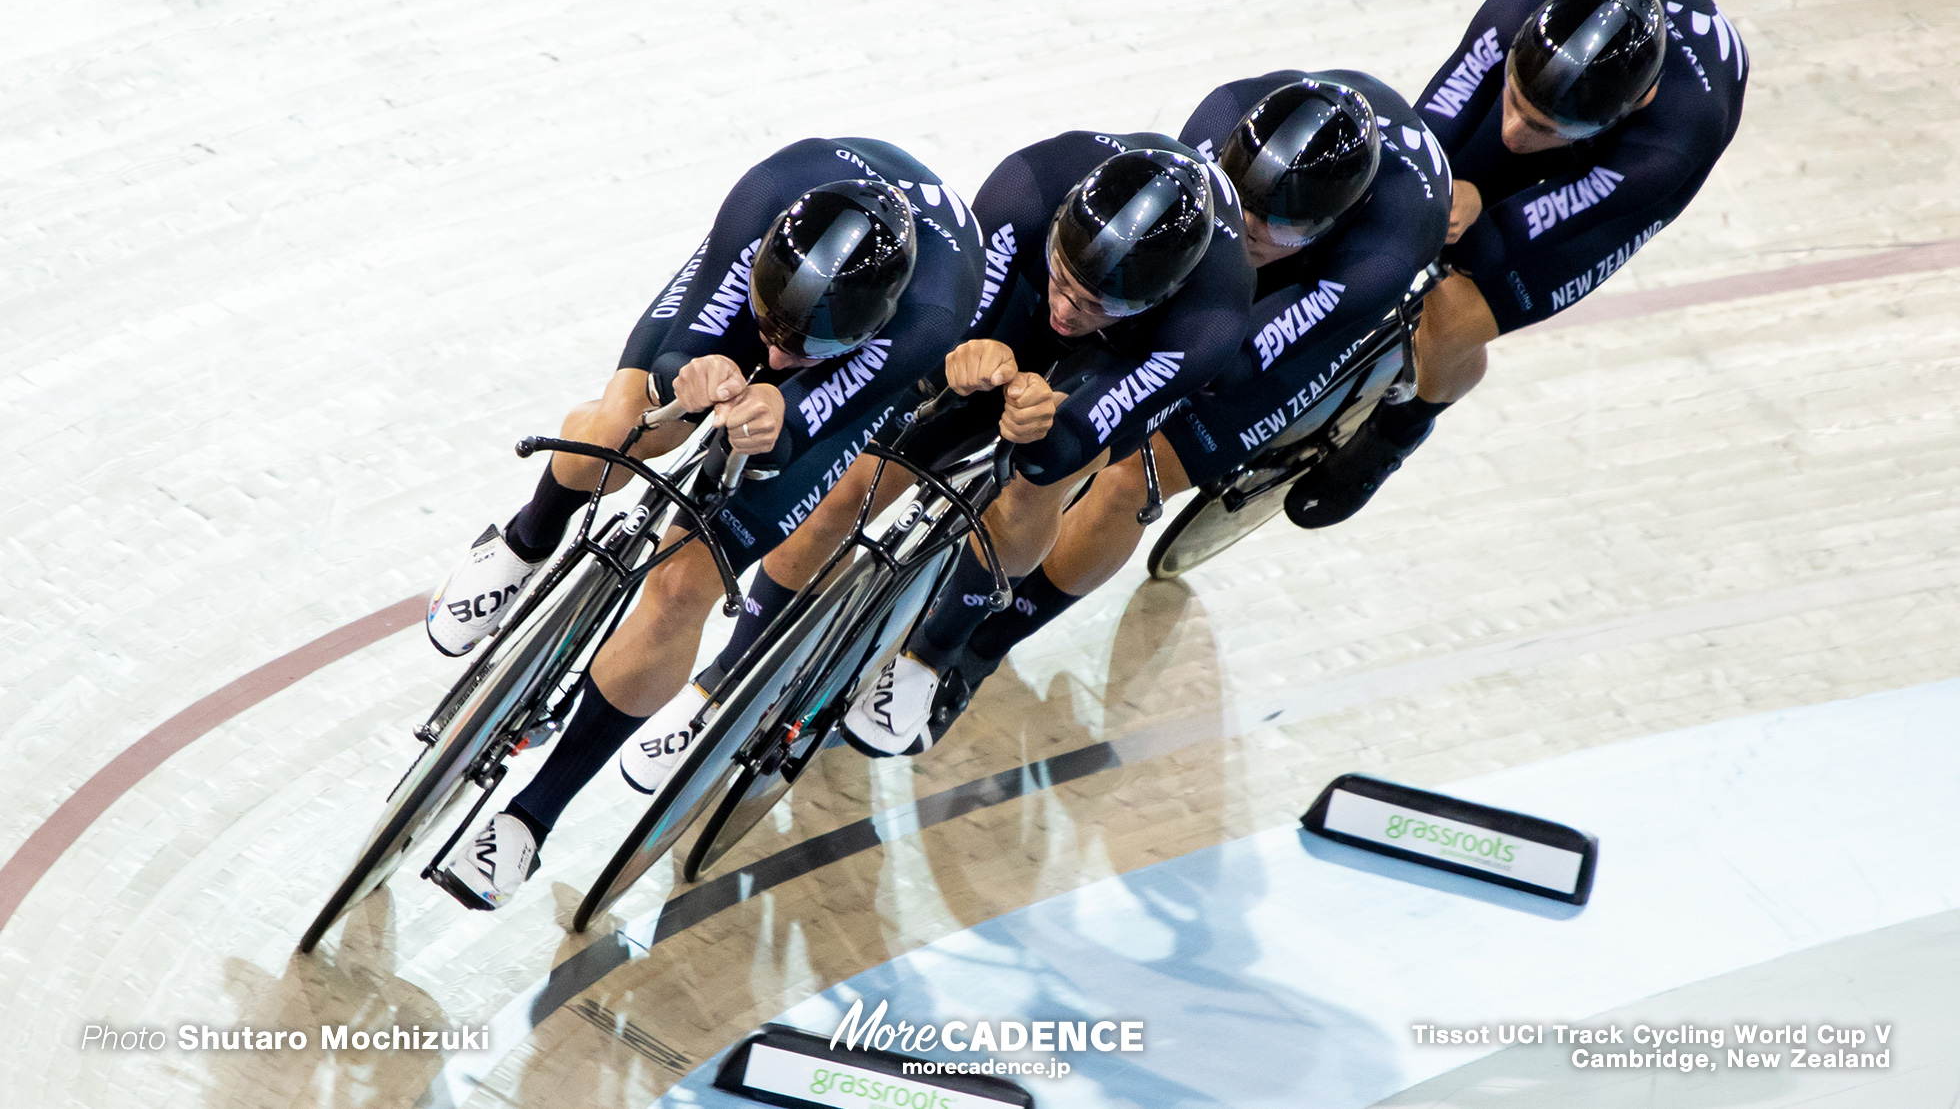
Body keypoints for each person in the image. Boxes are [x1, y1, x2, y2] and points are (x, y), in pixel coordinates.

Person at [425, 137, 984, 910]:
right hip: (768, 273)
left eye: (811, 348)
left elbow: (807, 423)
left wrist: (774, 415)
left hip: (864, 365)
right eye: (775, 335)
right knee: (628, 428)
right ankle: (527, 538)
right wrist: (692, 373)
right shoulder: (767, 200)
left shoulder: (927, 318)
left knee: (688, 579)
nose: (783, 356)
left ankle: (533, 815)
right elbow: (686, 349)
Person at [902, 71, 1452, 736]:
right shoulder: (1222, 117)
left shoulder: (1382, 252)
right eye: (1238, 200)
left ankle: (985, 648)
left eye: (1274, 224)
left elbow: (1233, 358)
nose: (1245, 227)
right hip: (1194, 291)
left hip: (1292, 322)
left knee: (1129, 474)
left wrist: (1120, 404)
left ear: (1330, 221)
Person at [831, 132, 1256, 757]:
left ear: (1152, 300)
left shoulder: (1208, 320)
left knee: (1041, 470)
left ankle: (932, 656)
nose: (1064, 309)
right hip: (1026, 281)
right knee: (920, 409)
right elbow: (954, 319)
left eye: (1090, 304)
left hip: (1124, 359)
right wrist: (968, 356)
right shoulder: (1029, 186)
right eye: (1063, 281)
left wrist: (1047, 415)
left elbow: (1081, 433)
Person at [1286, 0, 1749, 526]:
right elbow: (1426, 140)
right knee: (1405, 191)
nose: (1514, 132)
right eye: (1514, 101)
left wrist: (1480, 219)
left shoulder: (1665, 148)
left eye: (1545, 128)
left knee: (1457, 310)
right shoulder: (1520, 3)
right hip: (1568, 96)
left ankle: (1397, 433)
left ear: (1635, 104)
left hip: (1623, 183)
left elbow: (1507, 239)